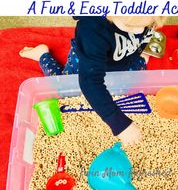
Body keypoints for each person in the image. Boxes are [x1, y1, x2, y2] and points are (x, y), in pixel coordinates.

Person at [19, 15, 165, 145]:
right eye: (130, 26)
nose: (140, 31)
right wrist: (119, 124)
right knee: (65, 91)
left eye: (147, 26)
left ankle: (139, 58)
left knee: (136, 73)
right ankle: (42, 55)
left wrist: (139, 46)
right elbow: (89, 82)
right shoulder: (92, 29)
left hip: (122, 58)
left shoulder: (139, 21)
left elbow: (140, 29)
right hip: (87, 63)